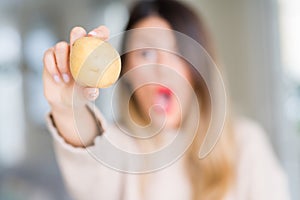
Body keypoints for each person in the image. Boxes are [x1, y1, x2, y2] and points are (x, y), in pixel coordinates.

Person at [43, 0, 290, 199]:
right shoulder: (120, 150)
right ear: (125, 69)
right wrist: (68, 107)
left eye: (177, 51)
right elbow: (91, 162)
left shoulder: (246, 144)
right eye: (146, 52)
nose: (162, 68)